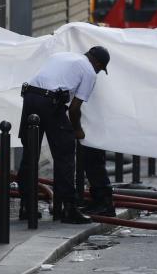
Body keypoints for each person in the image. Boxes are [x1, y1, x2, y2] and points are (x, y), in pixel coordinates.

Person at [17, 46, 110, 224]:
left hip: (29, 97)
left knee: (30, 154)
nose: (98, 72)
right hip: (50, 102)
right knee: (65, 154)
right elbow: (74, 109)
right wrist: (77, 130)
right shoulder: (89, 71)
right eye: (100, 69)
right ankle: (68, 208)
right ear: (98, 64)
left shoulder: (62, 55)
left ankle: (26, 206)